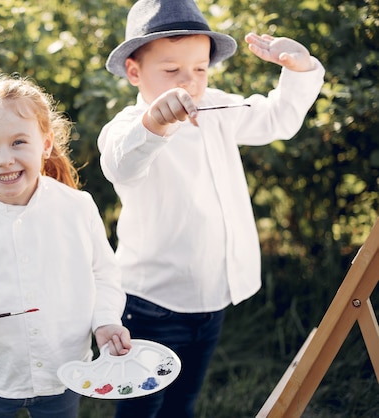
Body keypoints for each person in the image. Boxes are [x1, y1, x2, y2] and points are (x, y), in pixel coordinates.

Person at [97, 0, 325, 417]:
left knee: (183, 403)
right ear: (134, 71)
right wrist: (155, 124)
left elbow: (278, 119)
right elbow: (120, 163)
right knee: (140, 407)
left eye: (200, 68)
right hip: (151, 304)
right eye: (172, 71)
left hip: (212, 298)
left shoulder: (218, 108)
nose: (191, 83)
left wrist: (300, 67)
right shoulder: (128, 127)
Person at [0, 73, 131, 418]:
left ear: (46, 144)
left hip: (64, 372)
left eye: (19, 142)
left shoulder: (78, 207)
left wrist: (106, 322)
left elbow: (104, 276)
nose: (5, 159)